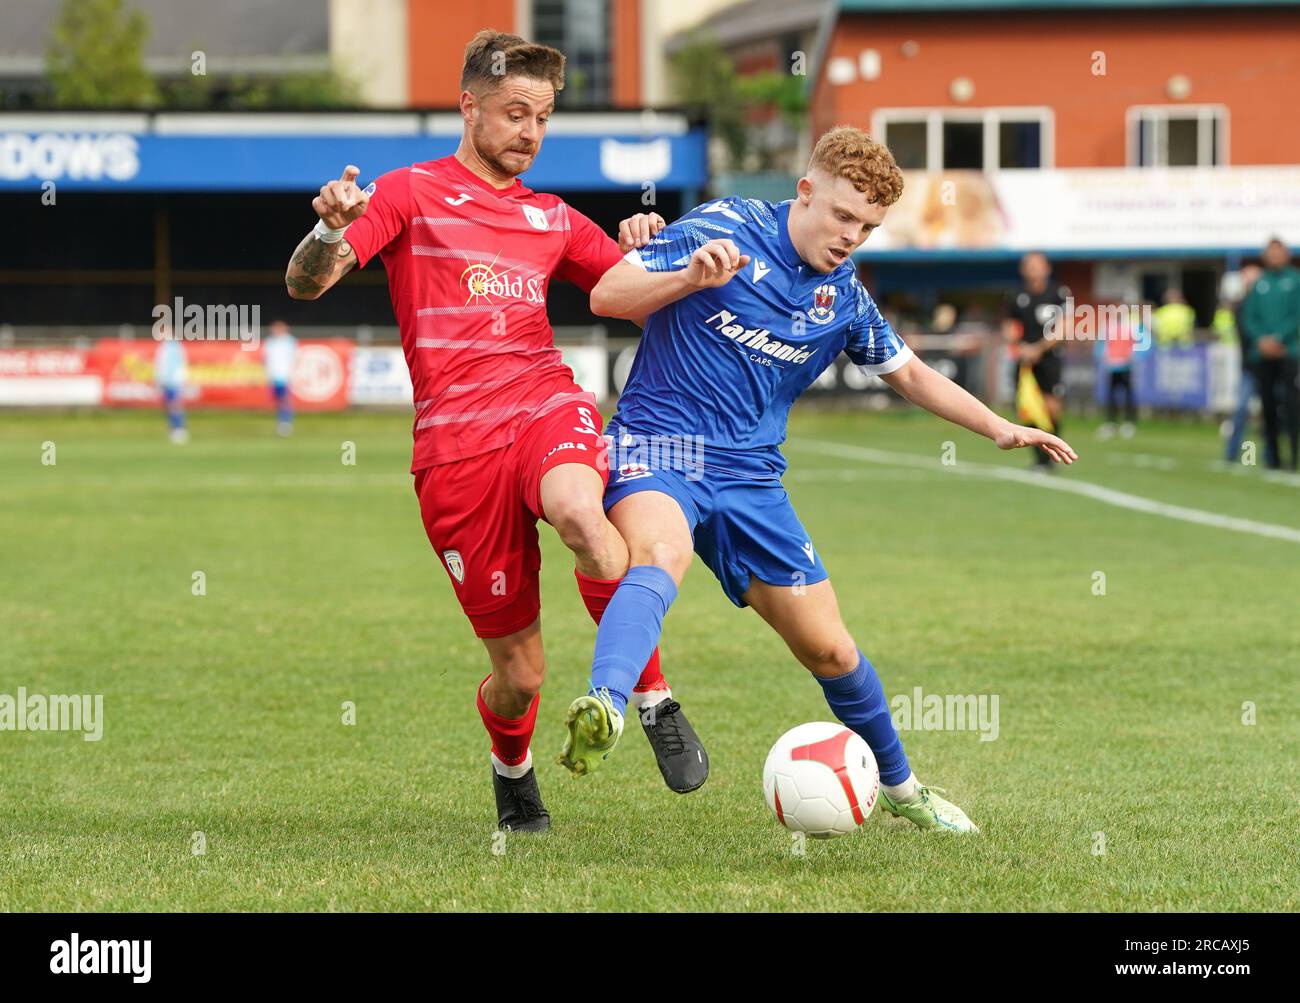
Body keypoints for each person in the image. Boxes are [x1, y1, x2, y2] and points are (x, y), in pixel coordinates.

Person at [556, 126, 1076, 834]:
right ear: (805, 191)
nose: (850, 236)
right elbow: (609, 295)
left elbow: (912, 374)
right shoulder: (726, 223)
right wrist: (691, 276)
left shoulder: (844, 298)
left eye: (866, 226)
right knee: (660, 555)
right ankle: (607, 705)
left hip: (753, 480)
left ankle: (901, 786)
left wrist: (999, 427)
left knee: (830, 648)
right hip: (660, 446)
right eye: (841, 216)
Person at [283, 29, 708, 833]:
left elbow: (629, 285)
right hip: (454, 451)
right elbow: (309, 282)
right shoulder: (408, 194)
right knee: (521, 675)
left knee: (588, 517)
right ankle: (512, 768)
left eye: (543, 118)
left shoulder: (550, 216)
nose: (530, 134)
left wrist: (658, 248)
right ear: (468, 104)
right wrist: (329, 228)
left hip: (543, 402)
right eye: (516, 113)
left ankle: (649, 695)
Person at [1003, 252, 1069, 468]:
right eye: (1029, 266)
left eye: (1037, 265)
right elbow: (1009, 327)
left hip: (1049, 357)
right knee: (1027, 408)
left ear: (1047, 268)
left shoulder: (1059, 293)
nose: (1033, 270)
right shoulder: (1016, 295)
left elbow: (1064, 328)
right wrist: (1018, 346)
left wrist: (1039, 348)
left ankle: (1053, 455)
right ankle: (1039, 459)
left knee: (1051, 407)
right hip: (1024, 360)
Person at [1241, 238, 1300, 471]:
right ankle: (1272, 457)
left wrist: (1279, 338)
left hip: (1288, 352)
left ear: (1285, 254)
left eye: (1278, 252)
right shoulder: (1260, 283)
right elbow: (1249, 317)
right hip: (1263, 355)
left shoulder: (1295, 280)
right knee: (1267, 407)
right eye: (1270, 252)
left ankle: (1294, 456)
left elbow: (1296, 315)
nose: (1274, 256)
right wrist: (1262, 340)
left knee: (1292, 404)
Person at [1222, 264, 1262, 464]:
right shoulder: (1241, 307)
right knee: (1240, 410)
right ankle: (1231, 454)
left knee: (1274, 412)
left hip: (1271, 367)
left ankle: (1272, 457)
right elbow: (1245, 334)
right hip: (1249, 366)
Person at [154, 326, 189, 444]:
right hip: (166, 381)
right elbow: (160, 365)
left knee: (175, 405)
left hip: (174, 381)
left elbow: (180, 364)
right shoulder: (165, 347)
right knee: (169, 406)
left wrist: (180, 379)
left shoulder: (175, 346)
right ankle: (173, 428)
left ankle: (179, 429)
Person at [264, 320, 297, 436]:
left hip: (284, 376)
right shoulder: (270, 342)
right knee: (278, 401)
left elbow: (293, 359)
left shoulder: (289, 342)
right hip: (273, 376)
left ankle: (286, 424)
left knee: (285, 400)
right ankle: (281, 422)